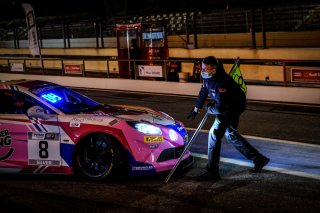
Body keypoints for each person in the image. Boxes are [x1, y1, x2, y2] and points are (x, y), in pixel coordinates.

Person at [187, 56, 270, 181]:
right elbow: (204, 90)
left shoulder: (221, 81)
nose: (202, 71)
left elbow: (220, 108)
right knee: (231, 134)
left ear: (213, 69)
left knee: (214, 134)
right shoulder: (207, 77)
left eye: (205, 68)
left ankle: (212, 172)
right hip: (227, 106)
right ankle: (259, 159)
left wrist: (209, 109)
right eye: (202, 68)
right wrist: (196, 108)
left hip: (232, 107)